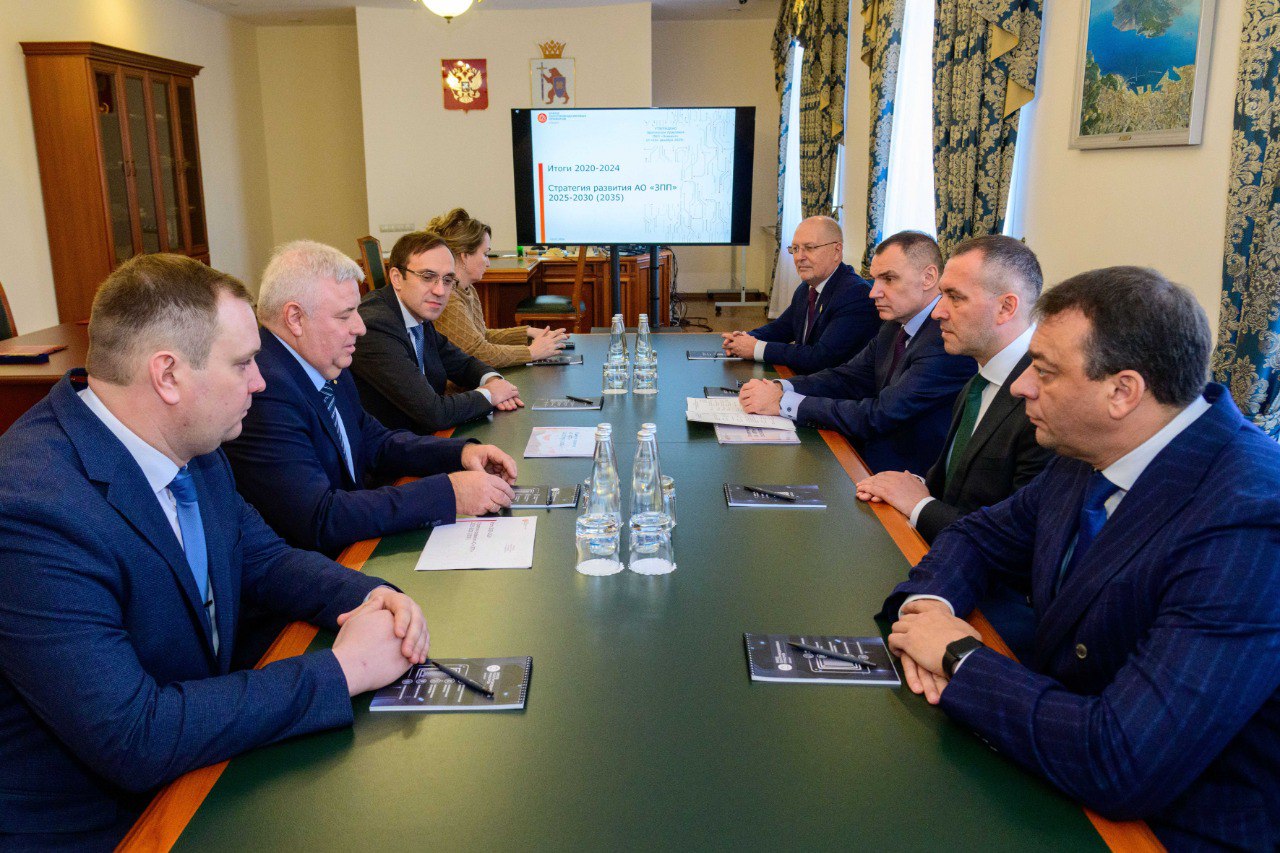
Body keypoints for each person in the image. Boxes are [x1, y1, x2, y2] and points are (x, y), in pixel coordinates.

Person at [0, 254, 428, 849]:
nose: (261, 381)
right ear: (168, 375)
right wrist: (343, 670)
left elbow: (265, 560)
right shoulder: (32, 507)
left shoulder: (191, 443)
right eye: (244, 363)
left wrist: (374, 596)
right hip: (106, 825)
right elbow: (135, 736)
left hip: (200, 768)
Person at [884, 267, 1280, 850]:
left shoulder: (1251, 518)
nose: (1020, 388)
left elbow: (1122, 761)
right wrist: (928, 608)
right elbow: (979, 537)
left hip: (1166, 826)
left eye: (1044, 372)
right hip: (1055, 753)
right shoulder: (1092, 447)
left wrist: (958, 655)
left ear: (1122, 391)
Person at [224, 240, 518, 556]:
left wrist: (461, 453)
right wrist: (449, 493)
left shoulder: (325, 360)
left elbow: (375, 441)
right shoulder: (265, 392)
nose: (360, 327)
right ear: (295, 318)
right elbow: (321, 518)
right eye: (345, 315)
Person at [740, 231, 975, 474]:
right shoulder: (894, 324)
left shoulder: (944, 341)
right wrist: (781, 387)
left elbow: (880, 415)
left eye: (889, 279)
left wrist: (784, 403)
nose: (873, 292)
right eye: (875, 280)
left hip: (903, 472)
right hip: (865, 451)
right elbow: (847, 377)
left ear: (928, 278)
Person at [351, 230, 524, 433]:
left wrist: (493, 380)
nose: (440, 291)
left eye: (448, 280)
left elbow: (463, 363)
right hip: (392, 445)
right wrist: (490, 394)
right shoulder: (376, 327)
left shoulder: (417, 312)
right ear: (397, 278)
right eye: (427, 277)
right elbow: (434, 413)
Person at [721, 215, 878, 374]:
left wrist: (756, 348)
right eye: (795, 249)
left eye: (809, 248)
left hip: (836, 386)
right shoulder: (807, 288)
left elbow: (821, 357)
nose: (799, 257)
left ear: (837, 251)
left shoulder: (856, 294)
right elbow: (782, 328)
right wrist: (742, 339)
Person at [430, 208, 568, 368]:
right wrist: (531, 352)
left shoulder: (467, 289)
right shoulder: (450, 298)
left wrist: (528, 332)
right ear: (464, 255)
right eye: (485, 254)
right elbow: (478, 352)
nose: (488, 263)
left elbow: (482, 336)